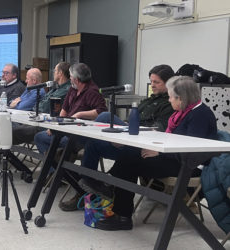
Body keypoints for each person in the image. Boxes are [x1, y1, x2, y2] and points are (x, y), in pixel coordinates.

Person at [91, 76, 217, 231]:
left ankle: (118, 206)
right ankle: (114, 193)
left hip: (189, 166)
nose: (169, 100)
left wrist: (160, 153)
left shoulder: (200, 115)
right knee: (130, 153)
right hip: (175, 158)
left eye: (171, 97)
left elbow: (190, 150)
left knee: (130, 160)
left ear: (182, 98)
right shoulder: (183, 113)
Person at [60, 64, 175, 211]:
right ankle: (87, 190)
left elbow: (160, 131)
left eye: (156, 82)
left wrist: (124, 133)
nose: (152, 85)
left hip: (142, 147)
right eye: (151, 81)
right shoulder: (147, 101)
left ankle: (96, 183)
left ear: (168, 82)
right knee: (92, 144)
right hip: (128, 140)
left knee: (104, 116)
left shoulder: (170, 104)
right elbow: (130, 122)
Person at [34, 63, 107, 154]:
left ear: (76, 80)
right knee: (39, 137)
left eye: (71, 77)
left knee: (58, 143)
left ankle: (58, 161)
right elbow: (64, 110)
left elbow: (102, 112)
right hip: (66, 129)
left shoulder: (92, 91)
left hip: (80, 134)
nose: (70, 79)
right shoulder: (73, 89)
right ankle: (55, 165)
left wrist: (80, 114)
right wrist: (55, 126)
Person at [12, 62, 71, 145]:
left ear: (60, 73)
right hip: (40, 120)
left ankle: (1, 154)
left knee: (11, 131)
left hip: (47, 124)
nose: (53, 73)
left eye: (55, 71)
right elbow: (40, 104)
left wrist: (39, 105)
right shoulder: (56, 87)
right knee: (5, 127)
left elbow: (44, 107)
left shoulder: (66, 89)